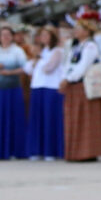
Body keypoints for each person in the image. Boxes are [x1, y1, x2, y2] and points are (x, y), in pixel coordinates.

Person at [60, 20, 101, 162]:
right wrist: (65, 77)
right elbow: (68, 63)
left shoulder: (90, 46)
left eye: (79, 29)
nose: (76, 32)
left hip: (84, 85)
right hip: (74, 84)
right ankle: (76, 152)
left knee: (87, 119)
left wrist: (69, 78)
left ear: (87, 31)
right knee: (75, 118)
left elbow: (83, 66)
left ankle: (88, 152)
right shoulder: (76, 46)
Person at [0, 26, 29, 160]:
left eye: (8, 34)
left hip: (13, 88)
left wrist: (10, 72)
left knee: (15, 118)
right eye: (3, 35)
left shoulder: (17, 51)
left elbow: (25, 67)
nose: (5, 37)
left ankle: (17, 150)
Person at [25, 26, 65, 160]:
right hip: (38, 87)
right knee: (37, 119)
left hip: (51, 87)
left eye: (46, 35)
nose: (43, 38)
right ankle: (37, 150)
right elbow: (28, 69)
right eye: (42, 35)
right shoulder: (42, 52)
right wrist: (37, 58)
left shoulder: (57, 51)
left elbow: (49, 68)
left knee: (50, 119)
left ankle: (51, 150)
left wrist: (38, 60)